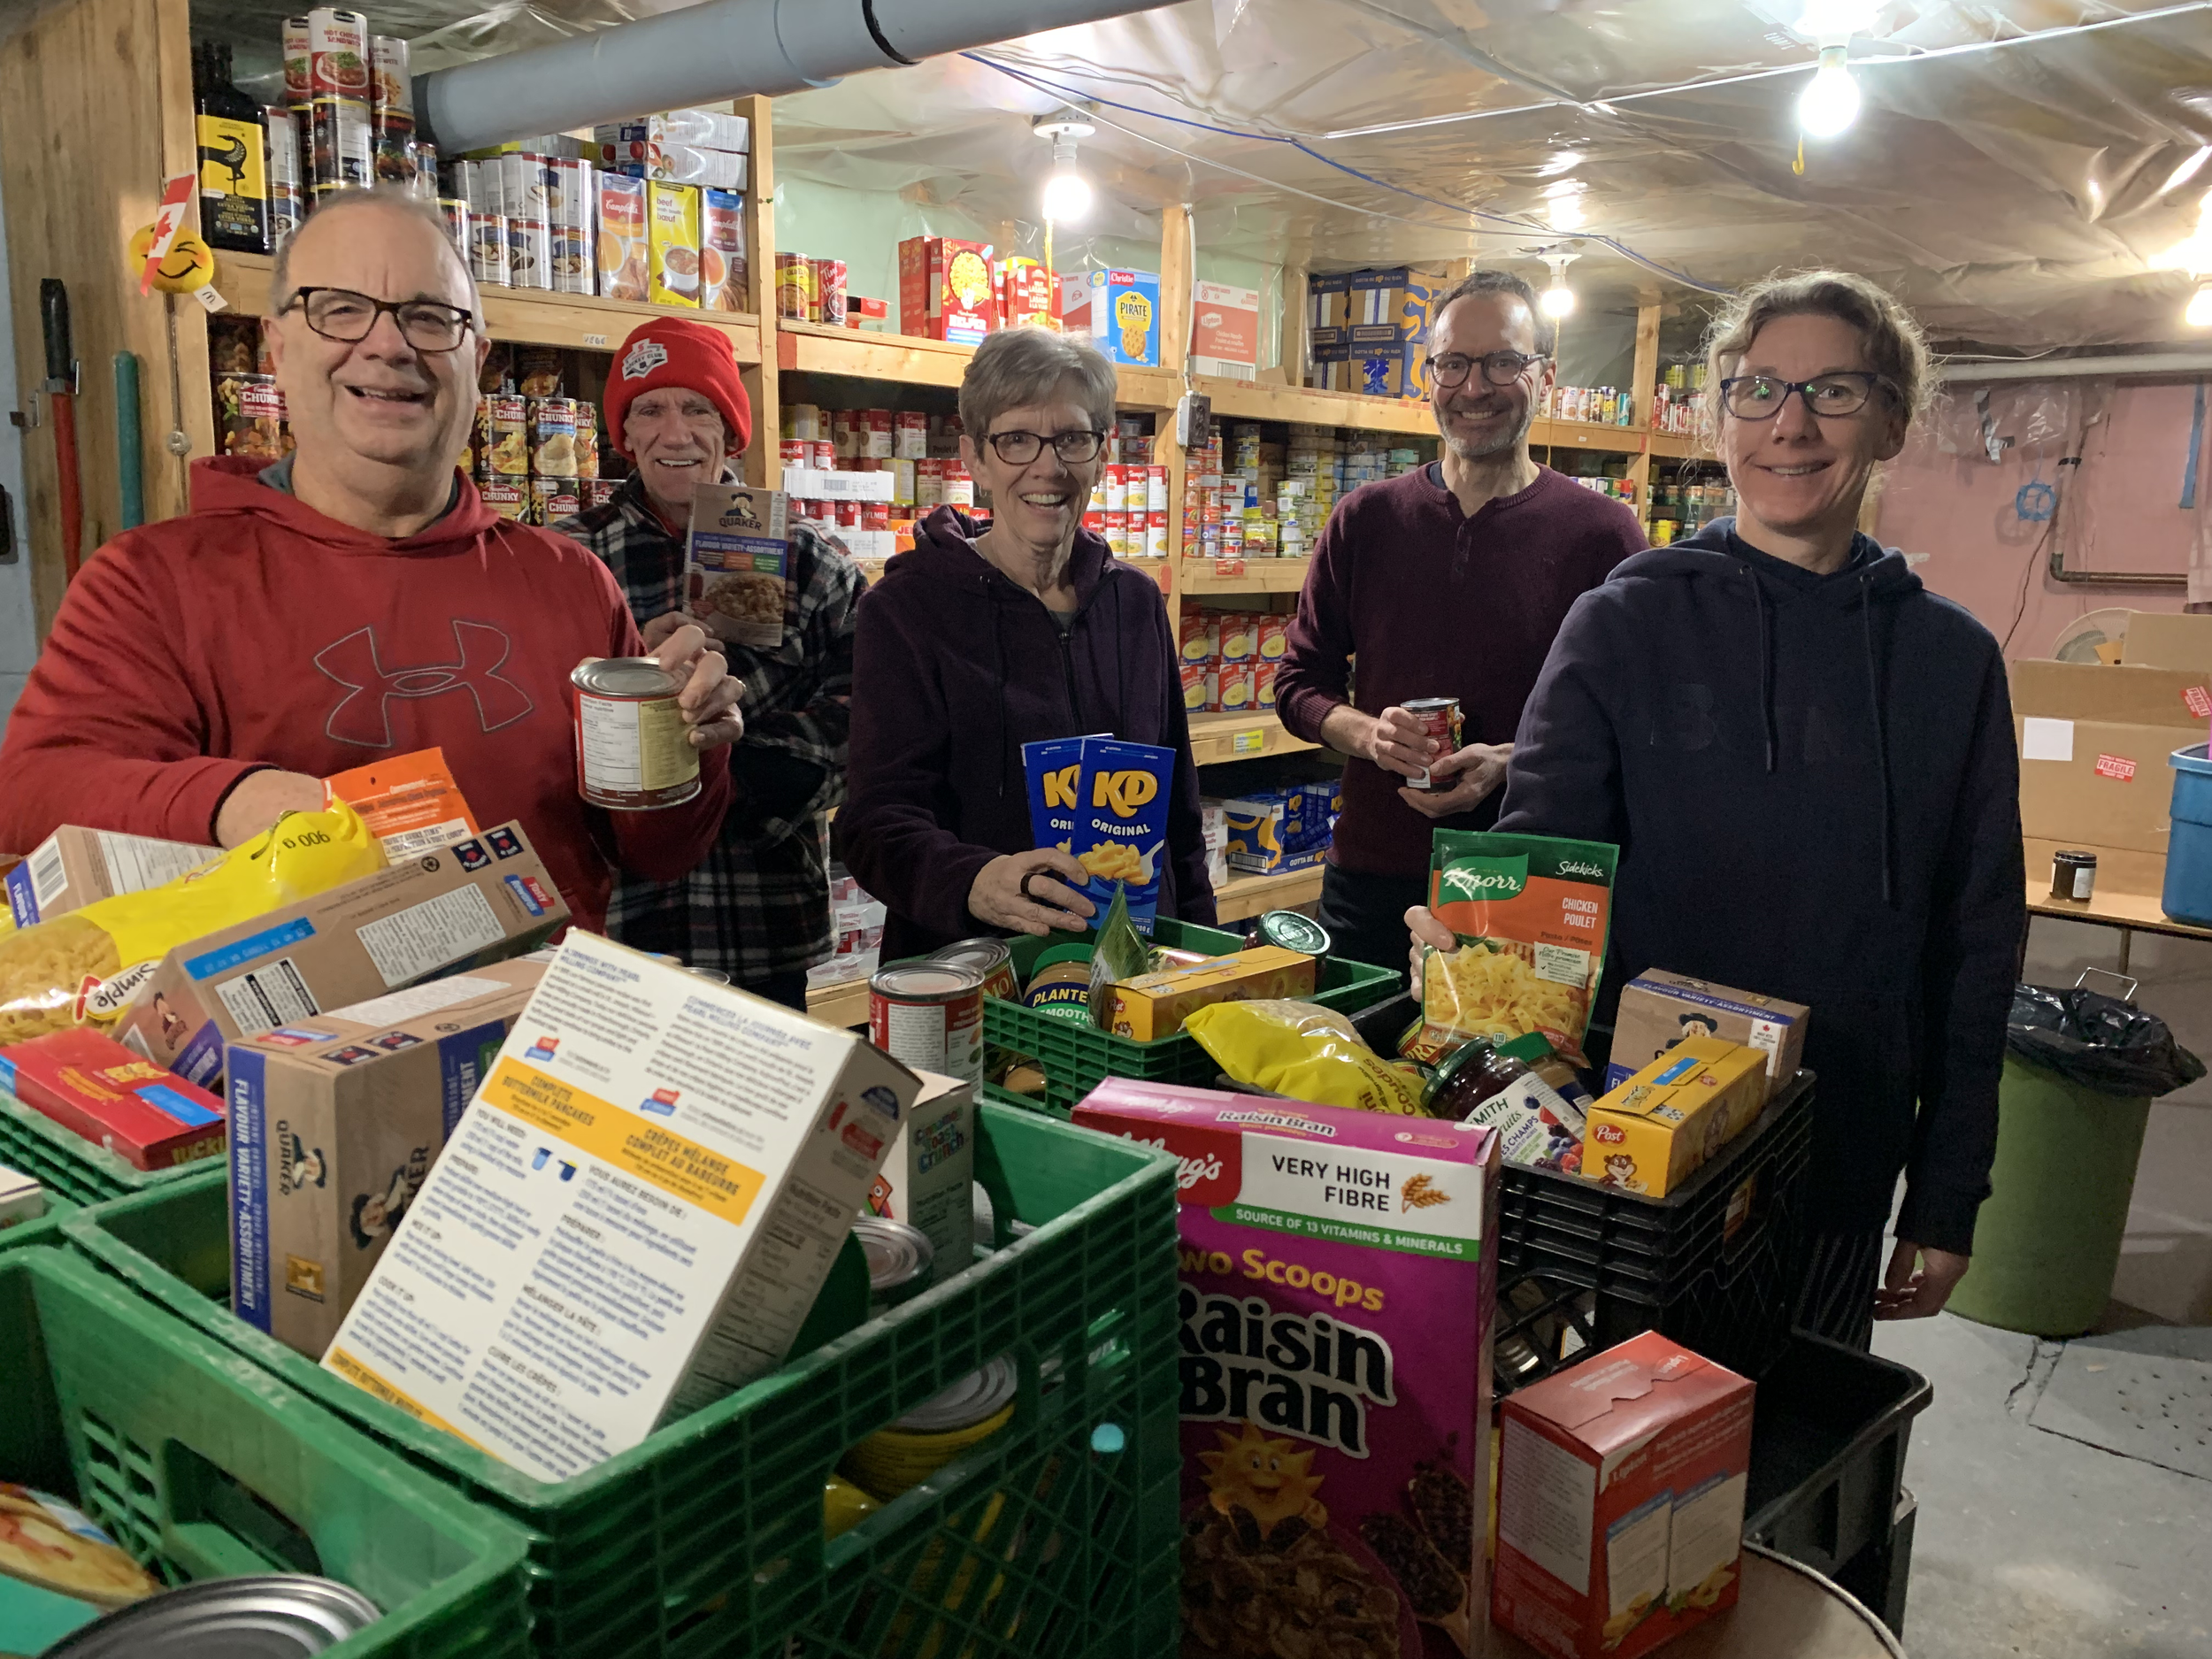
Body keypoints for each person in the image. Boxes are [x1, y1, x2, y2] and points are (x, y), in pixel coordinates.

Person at [1409, 270, 2024, 1347]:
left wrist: (1946, 1190)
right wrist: (1473, 967)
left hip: (1841, 1151)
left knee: (1790, 1452)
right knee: (1629, 1454)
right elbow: (1542, 872)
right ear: (1720, 412)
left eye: (1832, 391)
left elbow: (1977, 949)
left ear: (1891, 418)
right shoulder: (1623, 622)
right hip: (1643, 1156)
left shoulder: (1950, 662)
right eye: (1757, 389)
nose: (1789, 424)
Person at [0, 188, 741, 931]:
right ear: (278, 349)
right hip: (272, 1041)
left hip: (538, 1036)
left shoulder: (570, 579)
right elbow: (32, 798)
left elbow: (660, 852)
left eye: (429, 317)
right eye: (342, 307)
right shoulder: (152, 582)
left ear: (476, 362)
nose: (389, 345)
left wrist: (688, 746)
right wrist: (230, 801)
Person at [1276, 270, 1645, 973]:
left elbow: (1638, 722)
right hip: (1373, 875)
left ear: (1545, 375)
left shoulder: (1603, 534)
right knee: (1350, 1072)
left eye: (1503, 361)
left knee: (1513, 1078)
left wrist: (1509, 762)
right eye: (1454, 363)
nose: (1474, 387)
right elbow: (1300, 681)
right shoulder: (1367, 520)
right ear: (1429, 375)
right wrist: (1371, 734)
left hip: (1530, 880)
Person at [839, 326, 1216, 959]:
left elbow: (1179, 814)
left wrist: (1205, 954)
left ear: (1100, 454)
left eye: (1072, 437)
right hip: (979, 977)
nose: (1048, 466)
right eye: (1016, 439)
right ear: (975, 459)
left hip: (1132, 974)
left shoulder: (1137, 604)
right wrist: (972, 882)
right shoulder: (905, 611)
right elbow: (876, 822)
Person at [558, 319, 858, 1010]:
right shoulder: (570, 559)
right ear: (622, 434)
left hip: (763, 925)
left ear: (731, 429)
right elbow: (533, 730)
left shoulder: (812, 560)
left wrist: (724, 765)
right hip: (614, 931)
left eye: (697, 408)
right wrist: (626, 681)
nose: (675, 432)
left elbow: (864, 718)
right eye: (649, 410)